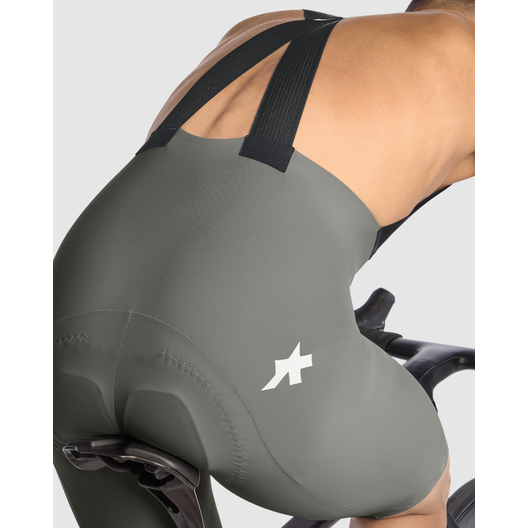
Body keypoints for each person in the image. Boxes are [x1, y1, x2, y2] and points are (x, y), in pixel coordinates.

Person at [53, 1, 474, 528]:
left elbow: (216, 224)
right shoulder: (475, 54)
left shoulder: (265, 28)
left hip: (65, 324)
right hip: (237, 334)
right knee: (414, 493)